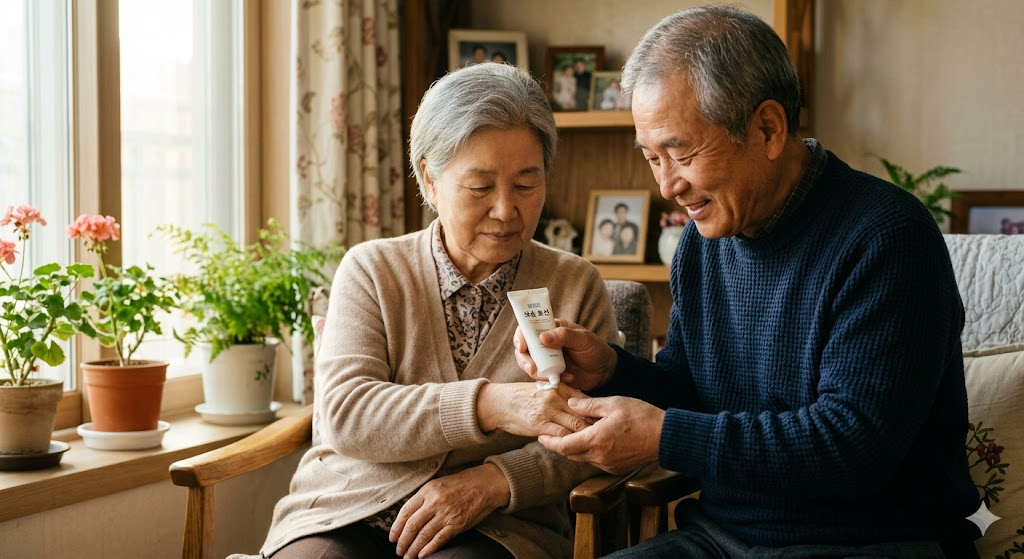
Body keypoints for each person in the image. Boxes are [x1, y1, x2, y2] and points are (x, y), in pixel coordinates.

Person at [515, 5, 981, 558]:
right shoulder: (703, 242)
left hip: (872, 542)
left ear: (767, 128)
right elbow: (691, 394)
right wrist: (610, 369)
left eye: (681, 153)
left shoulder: (887, 237)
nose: (667, 185)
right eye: (651, 157)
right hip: (721, 538)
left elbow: (852, 448)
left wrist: (665, 436)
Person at [252, 63, 618, 559]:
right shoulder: (372, 269)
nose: (506, 210)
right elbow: (345, 413)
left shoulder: (575, 284)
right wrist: (492, 404)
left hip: (496, 523)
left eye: (527, 185)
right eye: (481, 187)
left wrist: (493, 481)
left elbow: (595, 436)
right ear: (430, 176)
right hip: (346, 509)